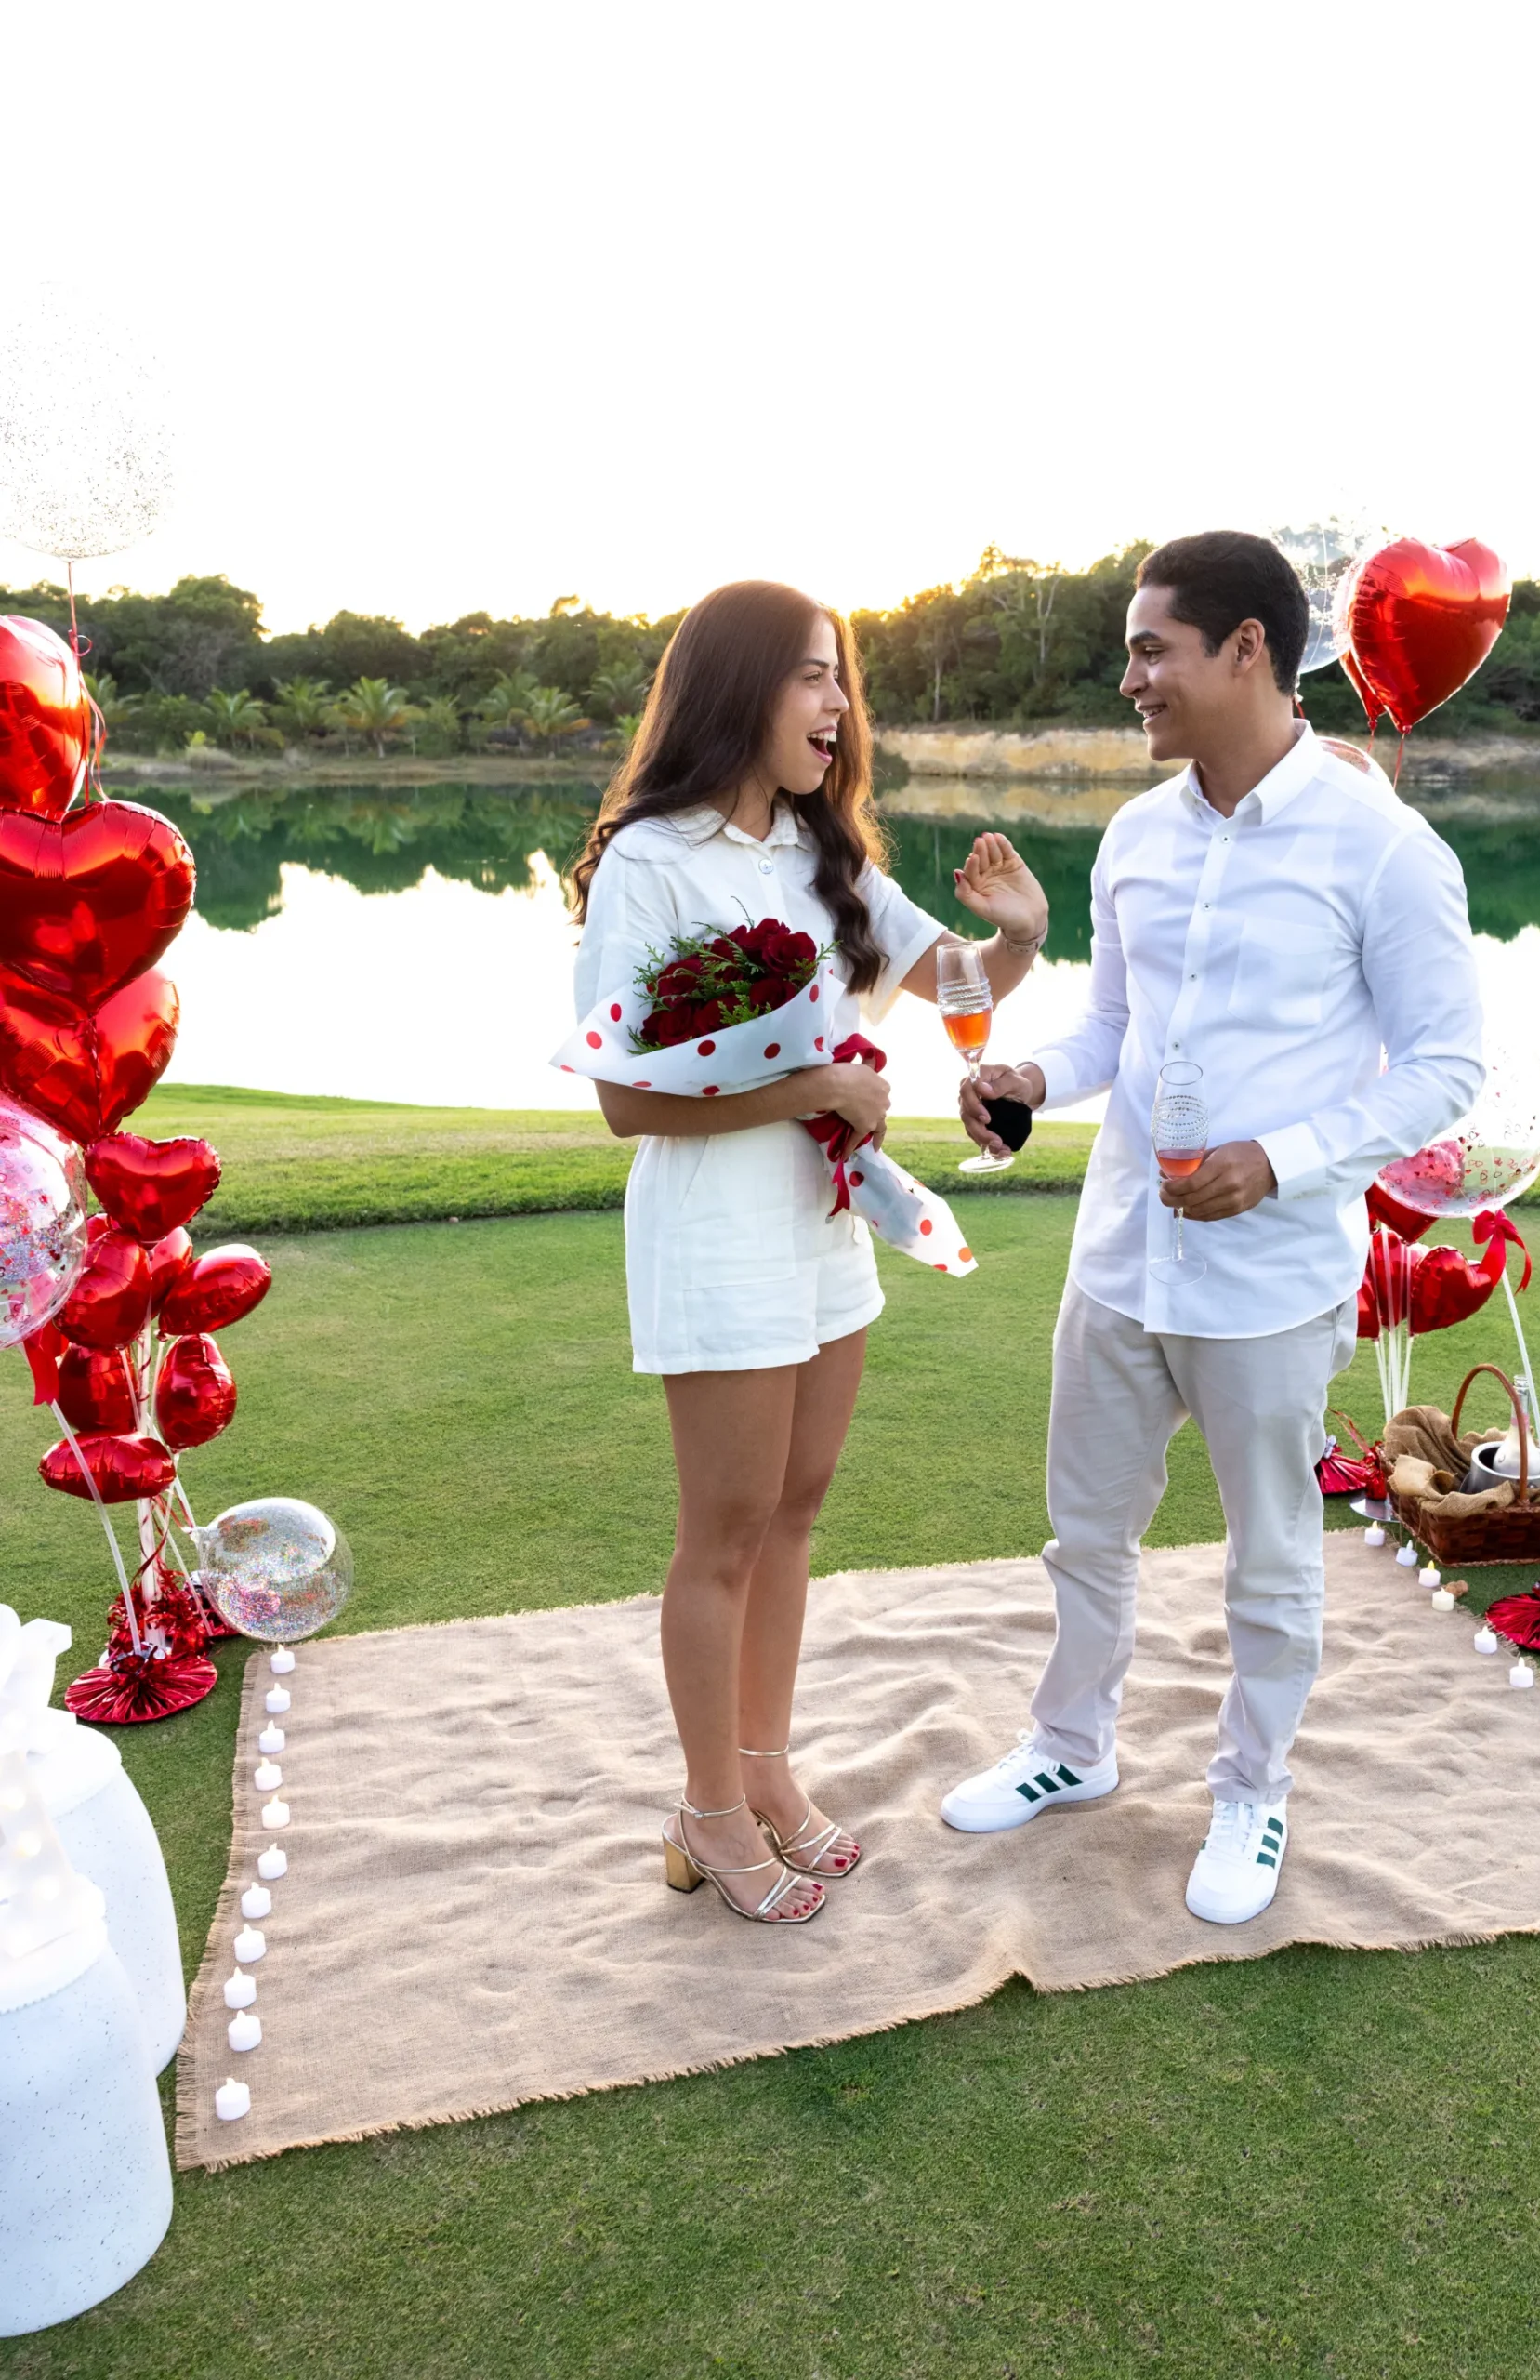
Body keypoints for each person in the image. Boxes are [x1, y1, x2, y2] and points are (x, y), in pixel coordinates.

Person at [940, 531, 1484, 1923]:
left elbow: (1443, 1068)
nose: (1129, 678)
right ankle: (1071, 1750)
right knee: (1084, 1534)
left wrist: (1283, 1159)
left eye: (1150, 649)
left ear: (1247, 648)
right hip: (1120, 1257)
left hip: (1269, 1276)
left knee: (1272, 1557)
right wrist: (1027, 1079)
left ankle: (1249, 1794)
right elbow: (1113, 1028)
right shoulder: (1135, 834)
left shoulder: (1382, 845)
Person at [573, 580, 1049, 1925]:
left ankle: (764, 1776)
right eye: (807, 678)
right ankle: (707, 1813)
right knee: (721, 1530)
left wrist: (1014, 936)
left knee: (794, 1508)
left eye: (840, 678)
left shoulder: (817, 850)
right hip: (716, 1231)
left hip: (823, 1221)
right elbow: (620, 1099)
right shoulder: (648, 860)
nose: (837, 705)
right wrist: (806, 1094)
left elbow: (946, 981)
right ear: (734, 691)